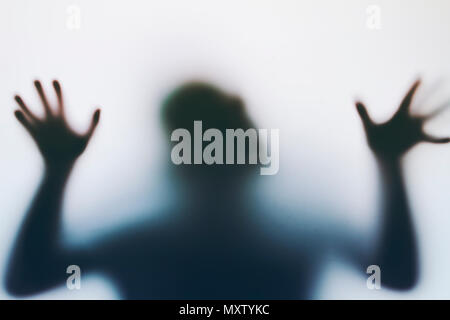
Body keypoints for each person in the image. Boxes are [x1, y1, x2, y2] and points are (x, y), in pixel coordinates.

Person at [5, 79, 449, 299]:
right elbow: (395, 274)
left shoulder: (143, 235)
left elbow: (28, 279)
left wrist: (57, 171)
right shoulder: (144, 233)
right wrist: (390, 166)